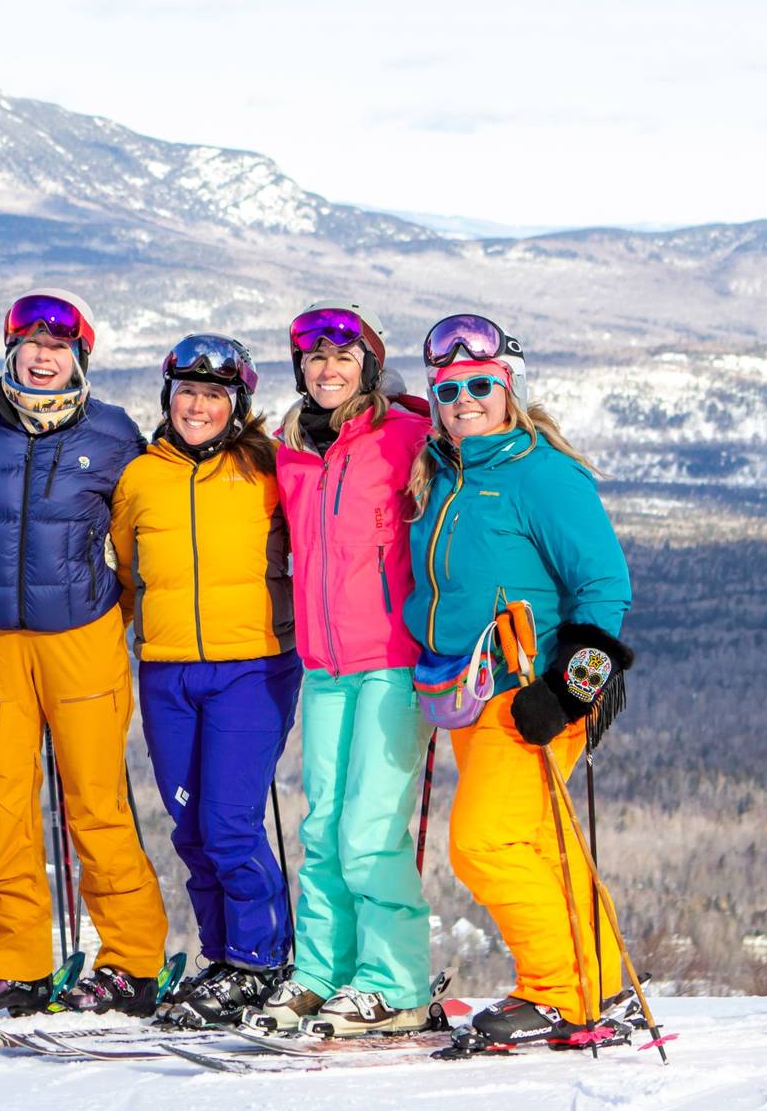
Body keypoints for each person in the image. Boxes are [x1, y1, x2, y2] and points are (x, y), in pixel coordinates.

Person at [0, 288, 170, 1016]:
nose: (42, 357)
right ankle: (19, 960)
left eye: (58, 347)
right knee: (2, 805)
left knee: (95, 803)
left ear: (80, 358)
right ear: (10, 350)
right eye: (30, 344)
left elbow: (145, 525)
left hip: (82, 638)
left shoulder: (114, 433)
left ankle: (131, 960)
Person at [402, 312, 634, 1046]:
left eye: (480, 384)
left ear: (510, 389)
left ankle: (558, 993)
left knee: (486, 841)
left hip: (530, 689)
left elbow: (606, 589)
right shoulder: (442, 472)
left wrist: (569, 692)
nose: (464, 399)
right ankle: (597, 982)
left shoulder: (543, 474)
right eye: (448, 389)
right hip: (466, 688)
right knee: (533, 843)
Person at [246, 301, 435, 1037]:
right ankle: (322, 973)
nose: (327, 370)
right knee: (322, 826)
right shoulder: (290, 445)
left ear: (368, 368)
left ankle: (396, 983)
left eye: (343, 358)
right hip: (323, 665)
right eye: (315, 359)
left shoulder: (407, 434)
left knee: (370, 830)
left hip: (392, 662)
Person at [109, 334, 301, 1027]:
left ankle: (263, 960)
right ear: (168, 397)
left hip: (252, 667)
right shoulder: (140, 478)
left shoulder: (267, 468)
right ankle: (224, 960)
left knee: (228, 824)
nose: (197, 405)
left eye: (214, 395)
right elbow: (129, 569)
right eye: (187, 391)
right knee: (192, 830)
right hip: (166, 671)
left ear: (237, 404)